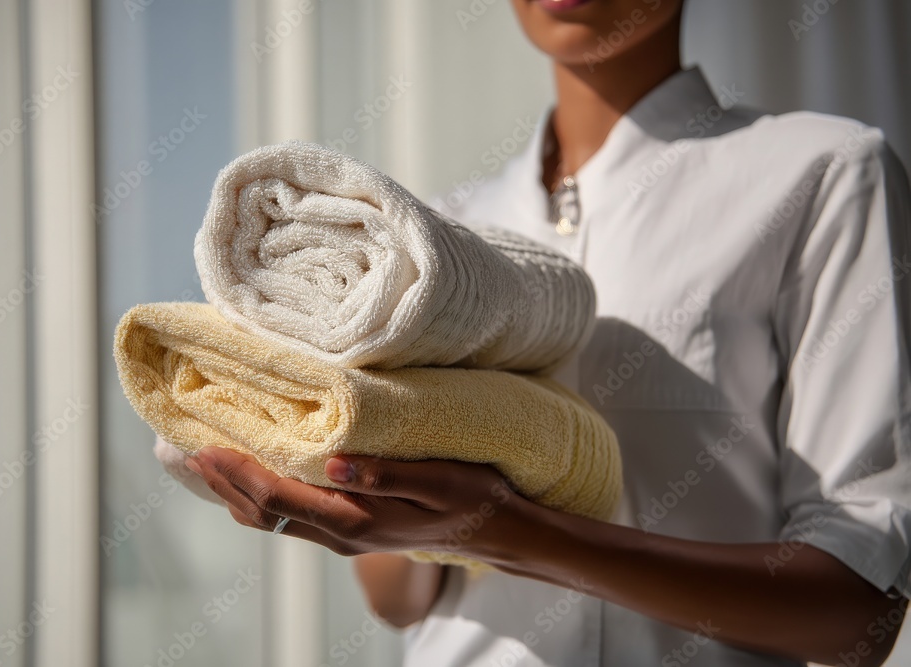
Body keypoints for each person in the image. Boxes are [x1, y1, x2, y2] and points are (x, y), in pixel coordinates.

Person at [182, 0, 911, 664]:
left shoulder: (821, 176)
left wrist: (515, 536)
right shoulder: (436, 242)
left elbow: (858, 612)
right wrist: (350, 513)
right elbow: (401, 600)